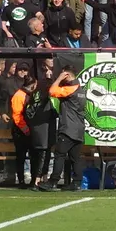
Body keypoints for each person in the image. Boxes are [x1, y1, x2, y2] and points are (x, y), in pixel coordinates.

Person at [40, 63, 86, 191]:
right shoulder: (81, 90)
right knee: (75, 157)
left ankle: (53, 181)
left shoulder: (70, 90)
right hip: (78, 129)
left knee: (59, 154)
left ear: (67, 74)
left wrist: (59, 79)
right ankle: (76, 183)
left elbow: (52, 91)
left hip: (68, 129)